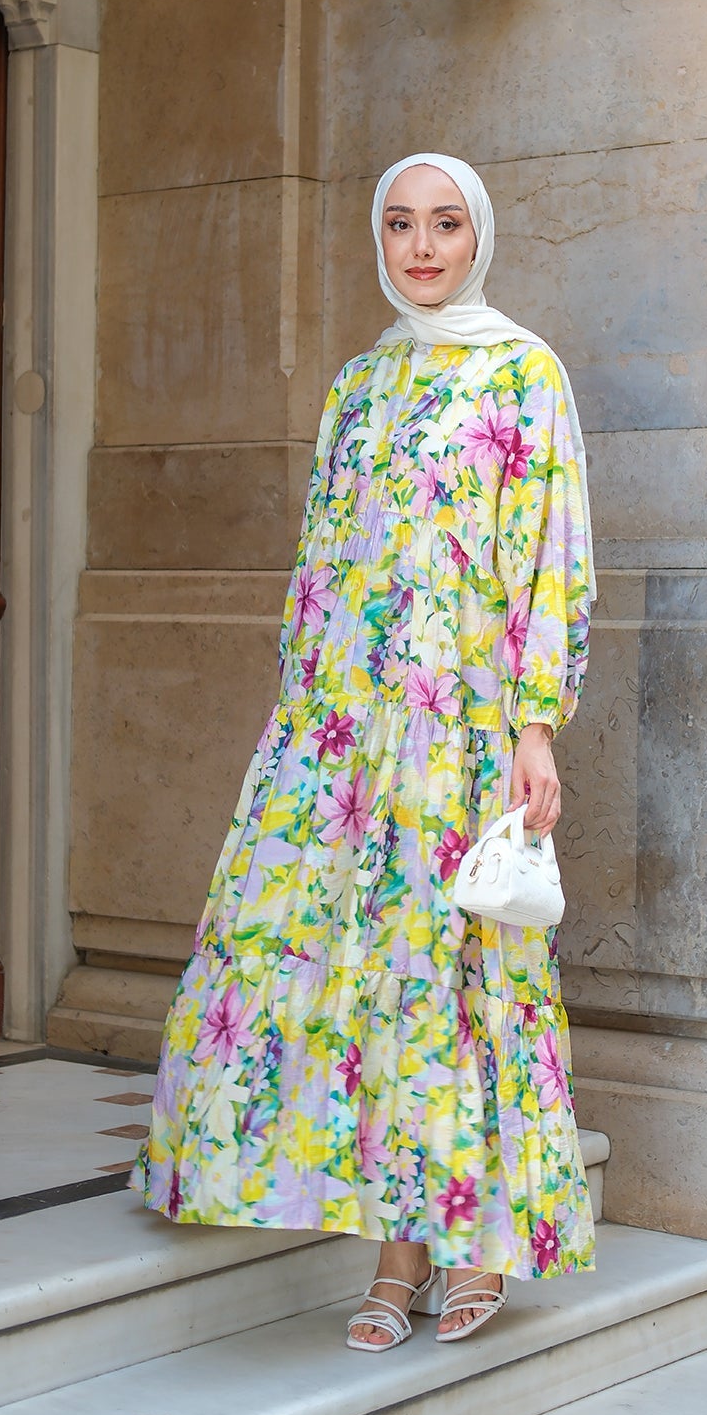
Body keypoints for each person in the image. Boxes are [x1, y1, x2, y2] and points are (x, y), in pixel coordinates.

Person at [133, 151, 596, 1351]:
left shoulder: (522, 375)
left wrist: (533, 726)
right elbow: (321, 562)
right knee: (361, 977)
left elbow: (549, 560)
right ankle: (396, 1254)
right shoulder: (359, 384)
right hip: (347, 735)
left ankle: (472, 1248)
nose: (423, 247)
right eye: (400, 225)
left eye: (445, 224)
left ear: (478, 235)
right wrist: (302, 729)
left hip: (465, 730)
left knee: (456, 983)